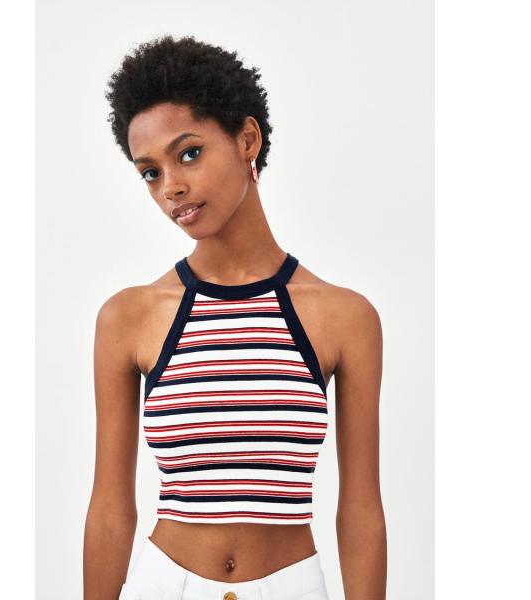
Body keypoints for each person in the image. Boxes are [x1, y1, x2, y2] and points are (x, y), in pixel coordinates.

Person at [84, 34, 386, 600]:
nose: (171, 187)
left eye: (188, 153)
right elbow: (109, 507)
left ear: (248, 139)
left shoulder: (345, 318)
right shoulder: (129, 317)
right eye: (150, 172)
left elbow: (361, 510)